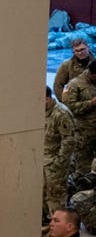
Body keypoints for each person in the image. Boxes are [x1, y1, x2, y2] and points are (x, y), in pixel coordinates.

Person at [43, 87, 77, 217]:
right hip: (43, 161)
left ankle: (59, 227)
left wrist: (59, 162)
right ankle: (48, 223)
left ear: (47, 98)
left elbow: (68, 141)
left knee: (55, 197)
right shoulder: (41, 111)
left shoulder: (61, 114)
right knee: (43, 195)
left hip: (55, 164)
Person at [60, 58, 96, 170]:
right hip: (83, 133)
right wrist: (91, 103)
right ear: (93, 75)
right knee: (83, 167)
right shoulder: (75, 85)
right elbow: (69, 108)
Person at [53, 35, 91, 100]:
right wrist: (65, 102)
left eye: (82, 49)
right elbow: (57, 86)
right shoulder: (67, 65)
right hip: (75, 104)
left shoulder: (94, 64)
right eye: (76, 51)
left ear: (88, 47)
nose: (80, 53)